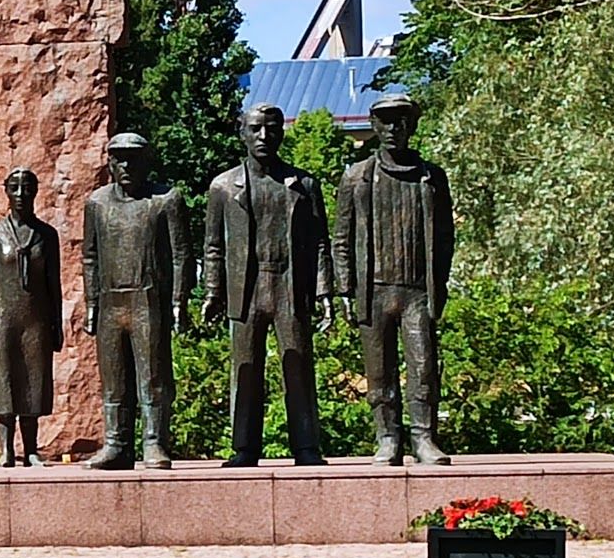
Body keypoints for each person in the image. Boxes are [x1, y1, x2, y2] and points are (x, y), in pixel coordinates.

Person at [203, 104, 333, 468]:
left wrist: (324, 292)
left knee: (299, 368)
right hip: (246, 289)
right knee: (245, 369)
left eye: (272, 129)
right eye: (255, 129)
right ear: (242, 133)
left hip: (289, 286)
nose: (264, 136)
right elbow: (213, 246)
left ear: (281, 133)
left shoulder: (304, 185)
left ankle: (306, 446)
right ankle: (244, 448)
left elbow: (320, 243)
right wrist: (213, 292)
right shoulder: (223, 187)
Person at [333, 94, 454, 467]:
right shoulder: (357, 177)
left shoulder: (431, 177)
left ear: (412, 126)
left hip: (417, 290)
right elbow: (342, 239)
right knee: (378, 370)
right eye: (385, 120)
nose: (392, 128)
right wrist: (344, 288)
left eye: (401, 120)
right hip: (374, 291)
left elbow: (445, 237)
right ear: (373, 125)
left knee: (424, 366)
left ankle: (423, 437)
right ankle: (387, 438)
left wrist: (439, 284)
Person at [81, 132, 193, 469]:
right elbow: (90, 257)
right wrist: (91, 303)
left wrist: (179, 301)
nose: (126, 166)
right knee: (114, 378)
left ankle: (154, 442)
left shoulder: (166, 200)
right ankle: (116, 443)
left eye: (133, 159)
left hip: (148, 300)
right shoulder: (97, 203)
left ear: (147, 162)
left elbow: (182, 255)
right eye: (119, 159)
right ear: (109, 163)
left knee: (153, 375)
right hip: (110, 301)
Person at [0, 168, 62, 467]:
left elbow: (54, 283)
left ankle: (31, 450)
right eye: (14, 187)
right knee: (3, 382)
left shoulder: (47, 235)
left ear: (35, 191)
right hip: (4, 320)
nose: (21, 194)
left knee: (33, 383)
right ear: (6, 191)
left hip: (35, 321)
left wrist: (57, 324)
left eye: (27, 188)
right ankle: (6, 450)